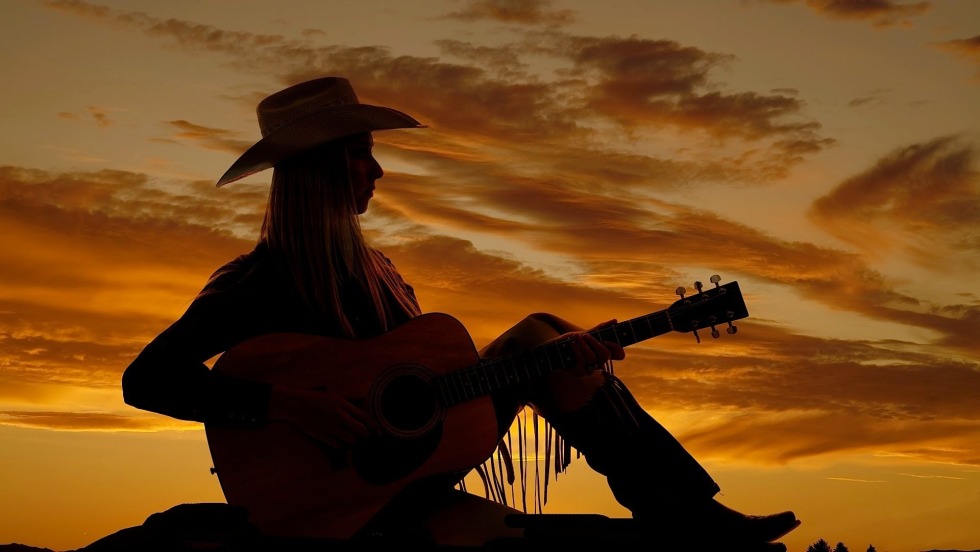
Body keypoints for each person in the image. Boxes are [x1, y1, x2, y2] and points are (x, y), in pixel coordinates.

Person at [122, 76, 800, 550]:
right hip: (338, 498)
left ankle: (686, 515)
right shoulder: (258, 279)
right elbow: (147, 379)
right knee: (541, 337)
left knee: (545, 335)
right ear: (324, 168)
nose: (377, 173)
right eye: (362, 156)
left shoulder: (379, 271)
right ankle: (690, 519)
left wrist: (562, 354)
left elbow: (429, 386)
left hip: (415, 466)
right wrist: (286, 404)